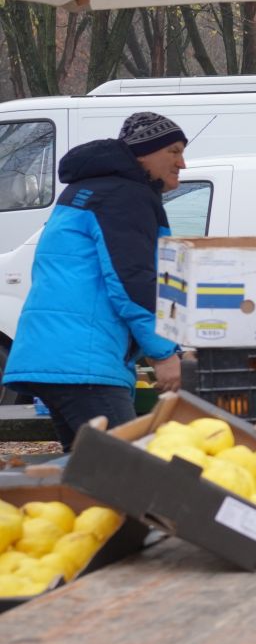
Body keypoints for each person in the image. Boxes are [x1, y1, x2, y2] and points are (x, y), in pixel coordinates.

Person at [3, 113, 186, 450]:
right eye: (173, 151)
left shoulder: (87, 191)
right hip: (83, 365)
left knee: (88, 478)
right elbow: (131, 279)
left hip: (58, 357)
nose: (182, 163)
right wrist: (163, 354)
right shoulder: (124, 195)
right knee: (125, 474)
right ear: (143, 152)